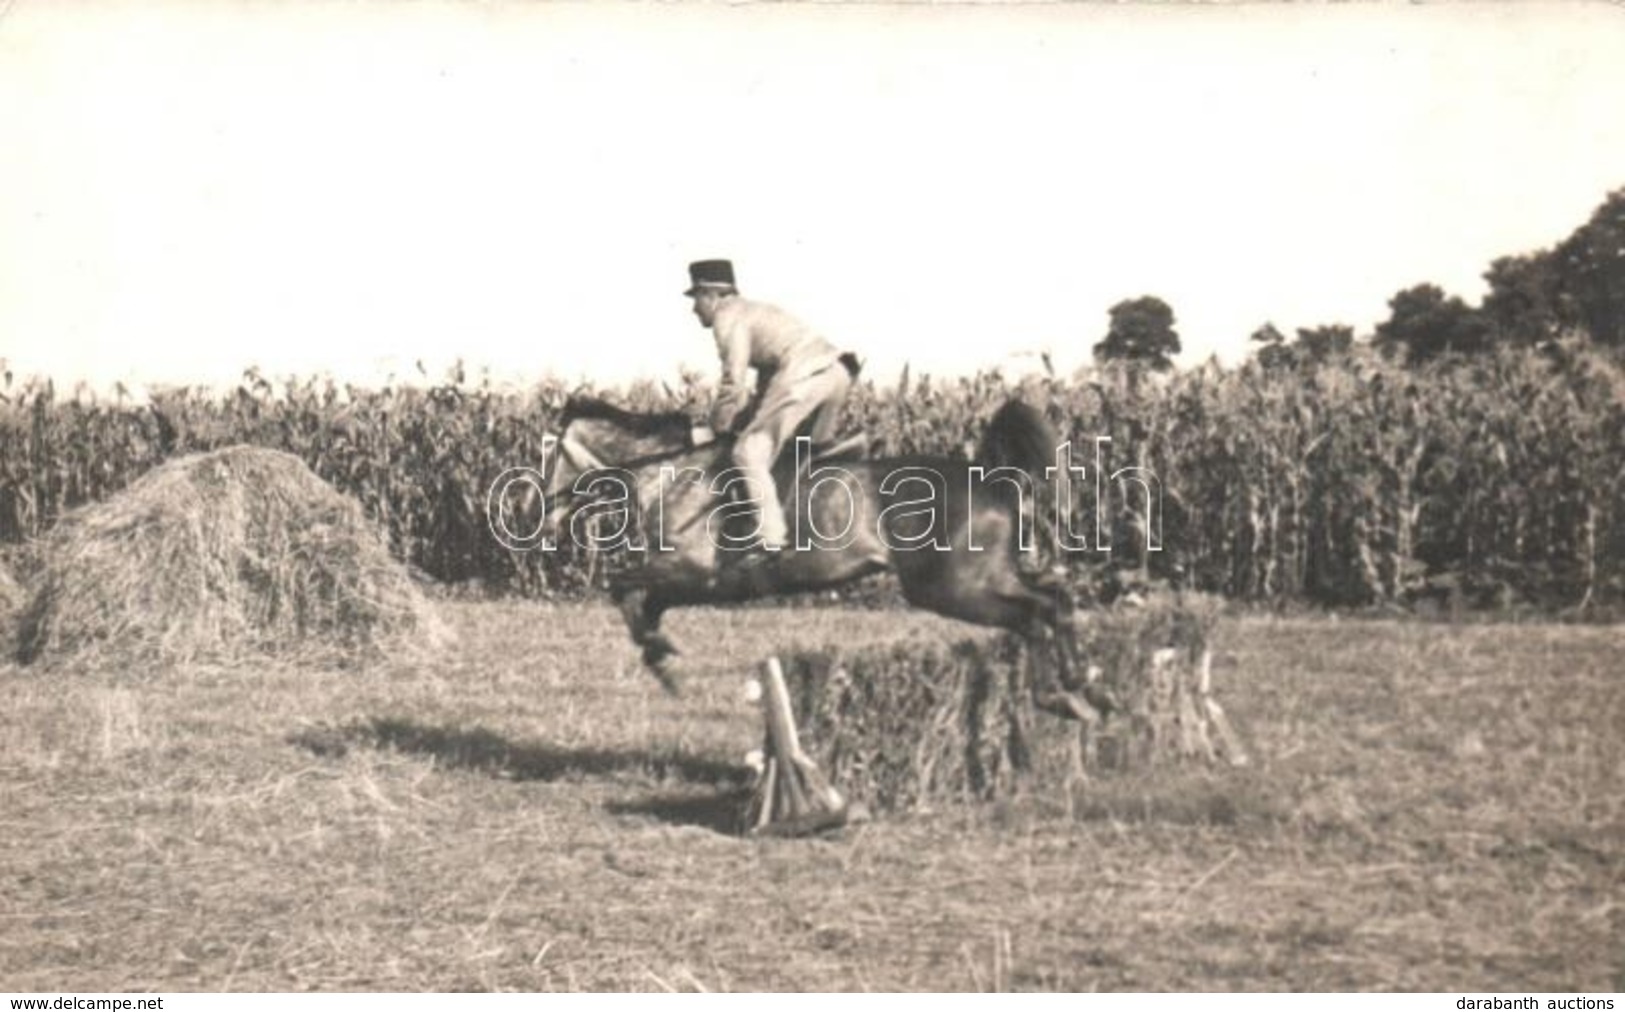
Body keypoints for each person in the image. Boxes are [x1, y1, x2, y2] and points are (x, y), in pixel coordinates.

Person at [684, 259, 860, 562]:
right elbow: (768, 387)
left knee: (748, 453)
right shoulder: (757, 312)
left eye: (696, 298)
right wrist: (744, 419)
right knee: (803, 453)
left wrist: (718, 429)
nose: (694, 309)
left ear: (712, 295)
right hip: (838, 373)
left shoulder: (729, 317)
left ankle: (771, 539)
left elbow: (732, 382)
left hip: (806, 376)